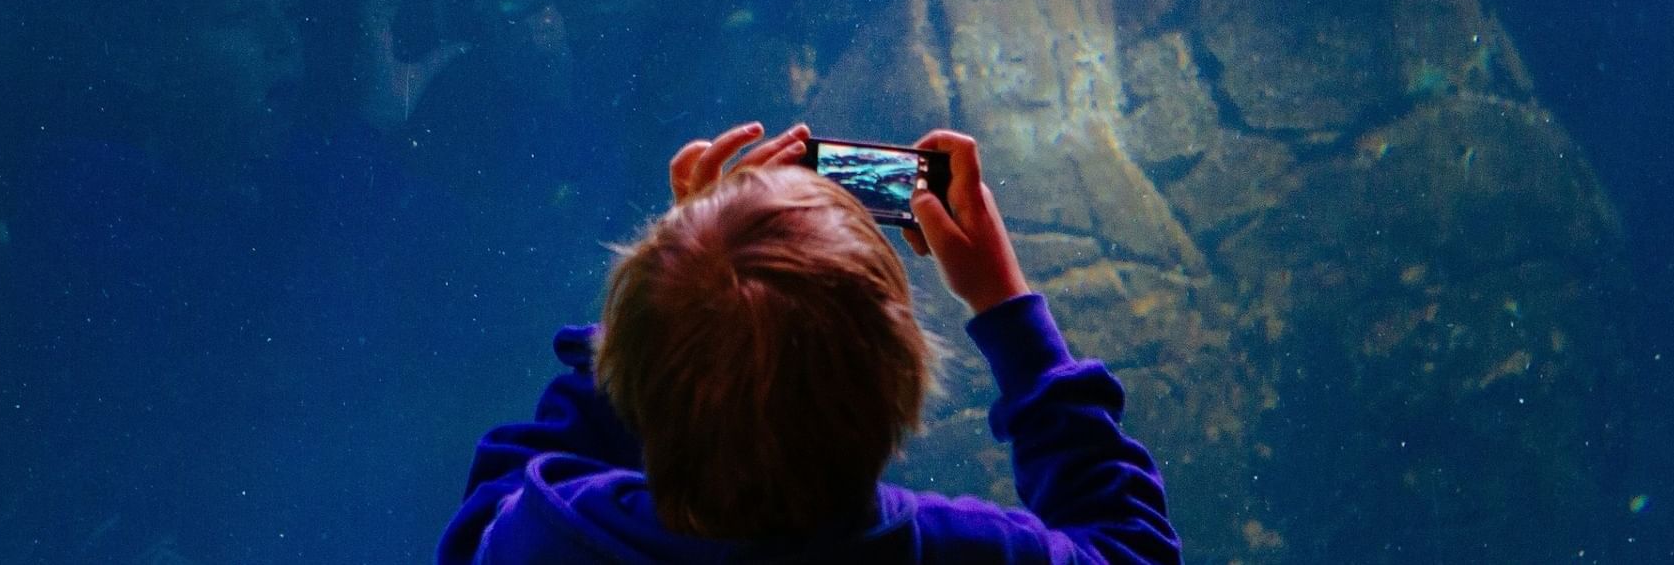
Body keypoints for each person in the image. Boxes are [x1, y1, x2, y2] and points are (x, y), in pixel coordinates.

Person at [438, 122, 1182, 563]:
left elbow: (494, 495)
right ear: (903, 381)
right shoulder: (958, 551)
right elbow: (1131, 547)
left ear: (629, 370)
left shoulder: (548, 536)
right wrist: (1005, 302)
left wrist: (688, 264)